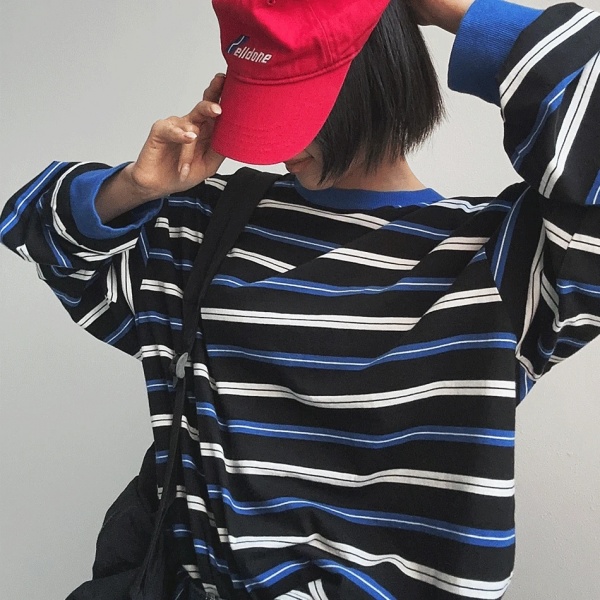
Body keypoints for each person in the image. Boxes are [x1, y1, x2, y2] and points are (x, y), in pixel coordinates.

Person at [1, 0, 599, 598]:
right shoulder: (208, 223)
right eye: (261, 100)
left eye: (298, 102)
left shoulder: (499, 261)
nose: (277, 142)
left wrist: (454, 11)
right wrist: (133, 187)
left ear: (376, 76)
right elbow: (40, 232)